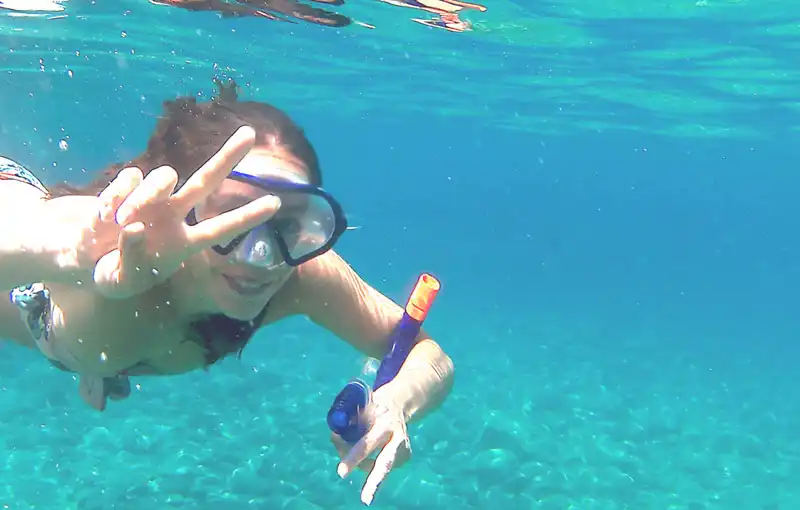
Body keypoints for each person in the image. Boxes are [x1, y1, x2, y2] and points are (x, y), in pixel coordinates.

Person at [0, 78, 454, 506]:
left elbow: (428, 355)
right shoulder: (108, 236)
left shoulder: (300, 274)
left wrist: (396, 404)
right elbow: (35, 227)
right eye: (234, 215)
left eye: (288, 223)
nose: (261, 256)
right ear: (185, 205)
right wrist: (79, 255)